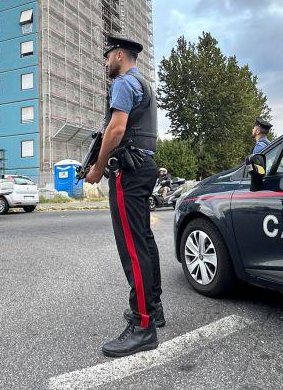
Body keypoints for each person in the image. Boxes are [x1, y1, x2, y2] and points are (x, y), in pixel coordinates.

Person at [85, 34, 164, 357]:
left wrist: (98, 167)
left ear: (119, 55)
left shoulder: (122, 83)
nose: (105, 63)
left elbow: (116, 130)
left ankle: (143, 325)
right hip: (145, 166)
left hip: (128, 172)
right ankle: (153, 309)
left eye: (107, 57)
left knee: (132, 247)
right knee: (143, 239)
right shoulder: (143, 84)